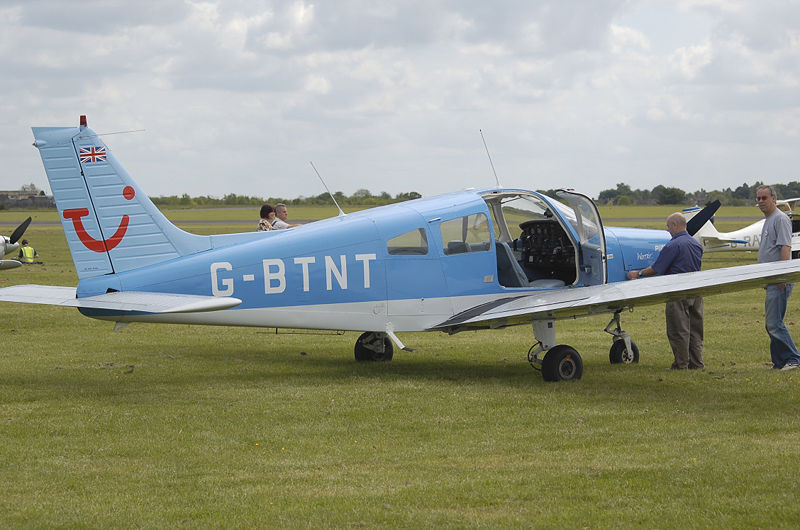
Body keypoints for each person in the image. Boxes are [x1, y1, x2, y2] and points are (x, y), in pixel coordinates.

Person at [627, 212, 704, 370]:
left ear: (675, 225)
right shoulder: (696, 244)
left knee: (678, 330)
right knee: (695, 330)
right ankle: (697, 363)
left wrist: (638, 273)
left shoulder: (672, 245)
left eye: (668, 226)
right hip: (696, 291)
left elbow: (657, 268)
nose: (667, 230)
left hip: (677, 292)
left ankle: (681, 365)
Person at [756, 184, 800, 370]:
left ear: (773, 199)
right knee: (771, 324)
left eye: (764, 198)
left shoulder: (780, 219)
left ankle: (794, 359)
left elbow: (785, 248)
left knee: (774, 324)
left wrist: (782, 277)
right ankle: (779, 362)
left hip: (780, 279)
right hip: (771, 280)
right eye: (758, 198)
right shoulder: (768, 219)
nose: (761, 201)